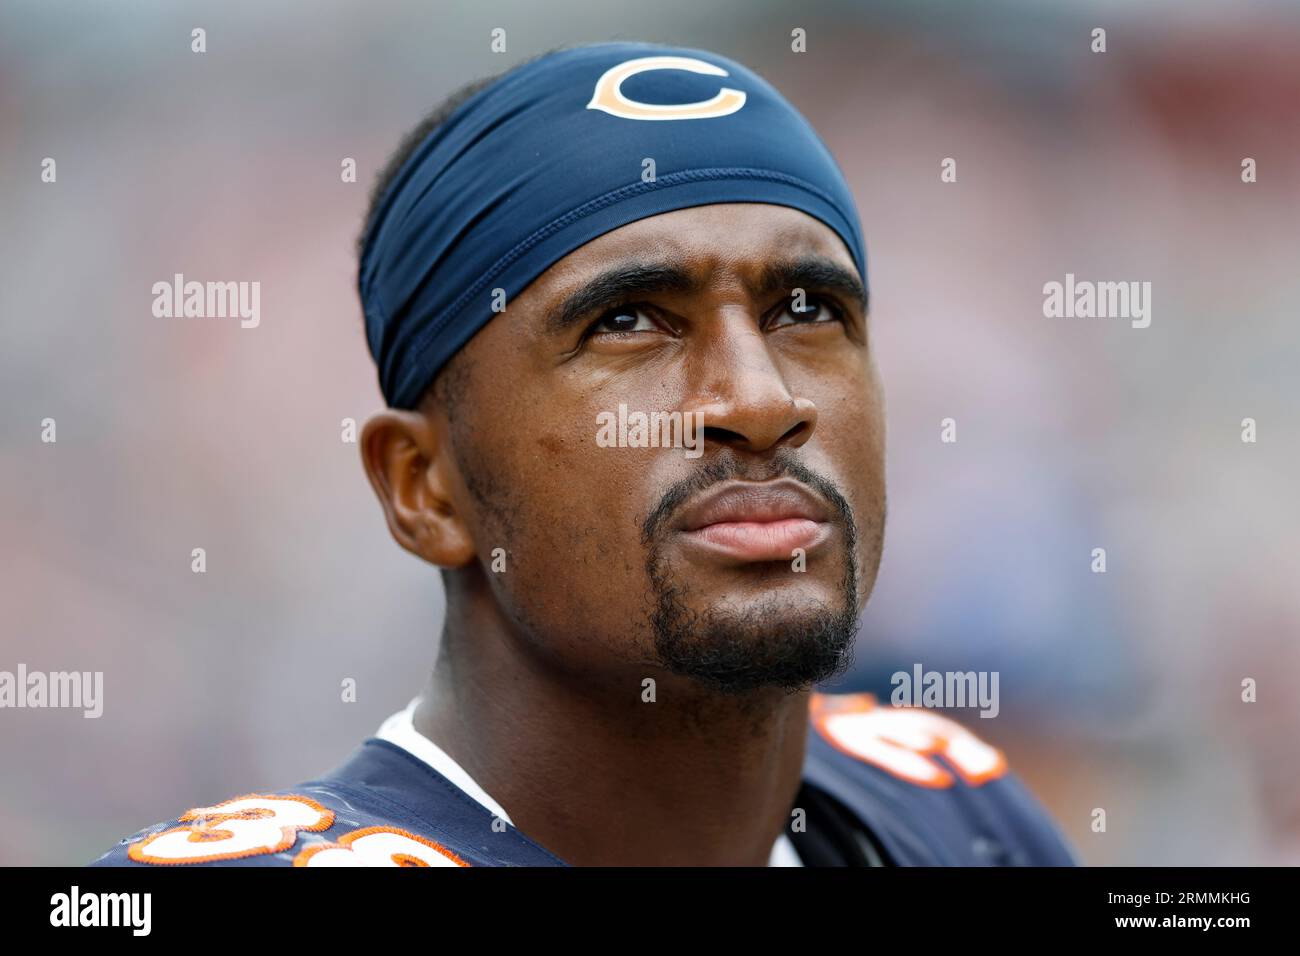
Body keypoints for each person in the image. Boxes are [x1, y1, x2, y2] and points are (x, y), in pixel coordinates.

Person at [90, 40, 1077, 867]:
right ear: (424, 486)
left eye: (806, 308)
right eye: (630, 319)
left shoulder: (958, 821)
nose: (762, 399)